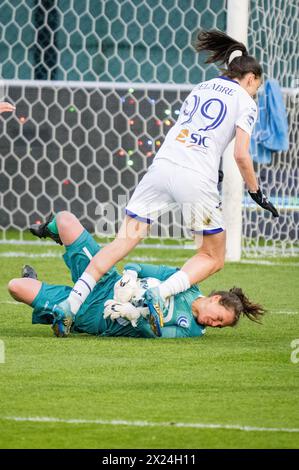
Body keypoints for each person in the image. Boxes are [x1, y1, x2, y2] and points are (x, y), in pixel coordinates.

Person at [30, 30, 277, 331]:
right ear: (250, 78)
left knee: (123, 241)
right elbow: (241, 155)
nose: (255, 94)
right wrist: (256, 191)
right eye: (256, 88)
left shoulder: (202, 86)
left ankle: (70, 304)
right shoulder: (246, 102)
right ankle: (159, 294)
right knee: (213, 255)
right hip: (196, 177)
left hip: (161, 167)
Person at [10, 211, 265, 338]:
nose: (215, 324)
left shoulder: (192, 330)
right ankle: (49, 230)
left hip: (94, 316)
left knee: (15, 287)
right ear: (215, 299)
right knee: (64, 219)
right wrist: (129, 277)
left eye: (220, 326)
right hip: (104, 279)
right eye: (219, 318)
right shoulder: (184, 282)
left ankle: (61, 313)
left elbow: (154, 332)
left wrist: (133, 314)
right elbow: (140, 267)